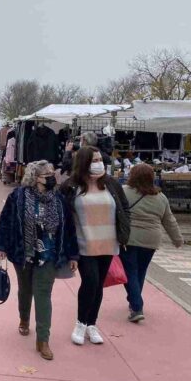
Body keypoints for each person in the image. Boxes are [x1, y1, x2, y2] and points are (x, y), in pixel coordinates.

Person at [0, 161, 79, 360]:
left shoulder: (59, 200)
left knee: (43, 294)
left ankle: (43, 340)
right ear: (35, 178)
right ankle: (24, 319)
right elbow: (5, 221)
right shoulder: (18, 197)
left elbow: (69, 229)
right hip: (23, 253)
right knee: (25, 289)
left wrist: (73, 254)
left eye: (52, 173)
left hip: (49, 256)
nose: (52, 177)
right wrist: (1, 246)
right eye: (46, 174)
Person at [60, 147, 130, 346]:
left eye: (100, 159)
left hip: (108, 243)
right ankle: (81, 323)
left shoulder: (111, 184)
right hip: (84, 244)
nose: (99, 163)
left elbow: (124, 208)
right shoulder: (71, 186)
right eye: (94, 160)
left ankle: (92, 323)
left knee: (99, 284)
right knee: (90, 282)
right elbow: (63, 215)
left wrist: (125, 233)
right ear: (83, 163)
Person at [121, 164, 183, 322]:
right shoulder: (161, 197)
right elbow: (169, 220)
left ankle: (136, 306)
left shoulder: (125, 192)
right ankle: (135, 302)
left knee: (130, 272)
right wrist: (177, 239)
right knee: (140, 271)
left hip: (129, 238)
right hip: (151, 240)